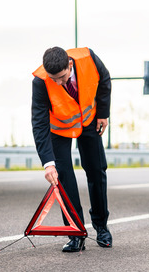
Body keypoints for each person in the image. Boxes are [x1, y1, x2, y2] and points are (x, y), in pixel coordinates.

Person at [31, 46, 112, 252]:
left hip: (89, 120)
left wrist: (103, 113)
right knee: (63, 177)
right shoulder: (40, 81)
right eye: (54, 79)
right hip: (59, 128)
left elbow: (104, 80)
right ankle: (75, 233)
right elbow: (39, 122)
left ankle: (101, 227)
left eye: (62, 77)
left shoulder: (88, 58)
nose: (58, 83)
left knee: (96, 170)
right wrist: (48, 163)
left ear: (69, 65)